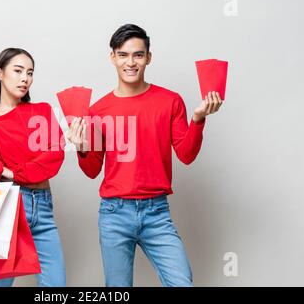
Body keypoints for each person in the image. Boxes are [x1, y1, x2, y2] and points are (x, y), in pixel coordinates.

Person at [67, 24, 223, 287]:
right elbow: (93, 170)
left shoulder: (170, 101)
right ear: (113, 57)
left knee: (182, 282)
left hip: (156, 212)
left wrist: (197, 120)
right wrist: (82, 147)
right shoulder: (98, 111)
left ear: (148, 58)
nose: (131, 62)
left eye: (138, 55)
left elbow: (186, 155)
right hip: (114, 212)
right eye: (123, 55)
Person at [0, 48, 66, 287]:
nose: (25, 78)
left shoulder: (42, 111)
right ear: (0, 73)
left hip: (44, 208)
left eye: (29, 73)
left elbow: (55, 154)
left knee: (56, 286)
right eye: (17, 71)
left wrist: (12, 172)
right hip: (11, 207)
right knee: (0, 285)